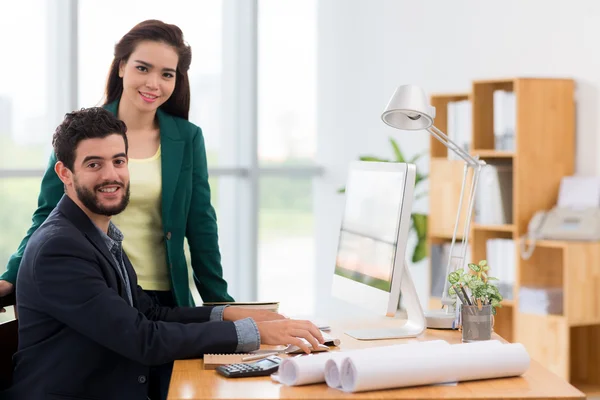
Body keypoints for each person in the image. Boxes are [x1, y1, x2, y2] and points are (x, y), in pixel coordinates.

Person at [3, 108, 323, 400]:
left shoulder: (96, 235)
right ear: (64, 173)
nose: (111, 175)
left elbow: (152, 314)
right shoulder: (60, 248)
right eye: (93, 164)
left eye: (119, 160)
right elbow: (144, 339)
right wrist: (255, 333)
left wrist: (227, 313)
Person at [0, 19, 233, 311]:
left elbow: (201, 225)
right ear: (122, 66)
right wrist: (11, 275)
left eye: (167, 74)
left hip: (165, 296)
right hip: (97, 287)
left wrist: (221, 305)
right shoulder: (82, 131)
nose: (153, 83)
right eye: (142, 68)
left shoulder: (187, 137)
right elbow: (48, 212)